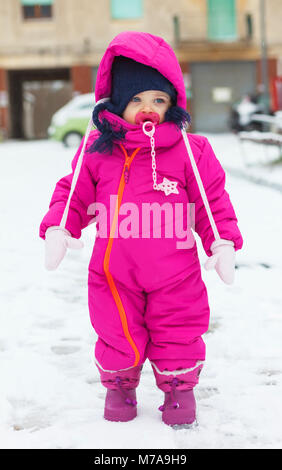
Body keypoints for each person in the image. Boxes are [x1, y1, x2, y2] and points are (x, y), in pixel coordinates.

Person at [40, 32, 243, 428]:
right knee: (116, 329)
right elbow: (74, 192)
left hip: (176, 272)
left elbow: (211, 200)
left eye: (158, 99)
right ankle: (119, 386)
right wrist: (60, 227)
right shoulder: (98, 148)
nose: (147, 109)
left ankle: (179, 389)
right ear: (118, 103)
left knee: (179, 329)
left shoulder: (190, 150)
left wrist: (222, 242)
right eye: (136, 100)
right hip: (115, 272)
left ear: (173, 104)